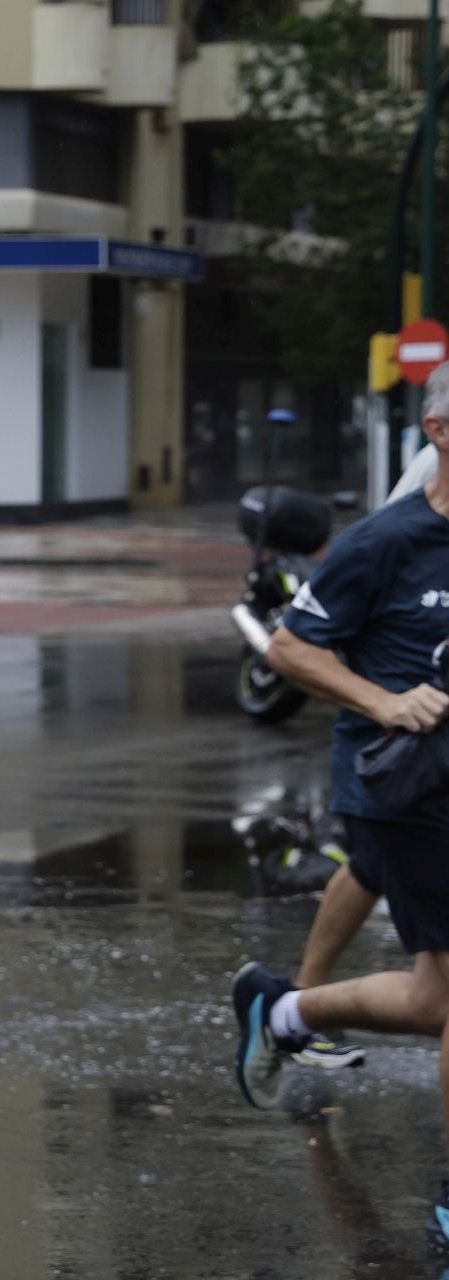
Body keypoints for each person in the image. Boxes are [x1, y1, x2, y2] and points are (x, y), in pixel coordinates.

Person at [232, 360, 449, 1247]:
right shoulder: (389, 540)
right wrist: (385, 702)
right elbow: (289, 650)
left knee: (435, 1003)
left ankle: (282, 1009)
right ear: (440, 434)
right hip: (405, 790)